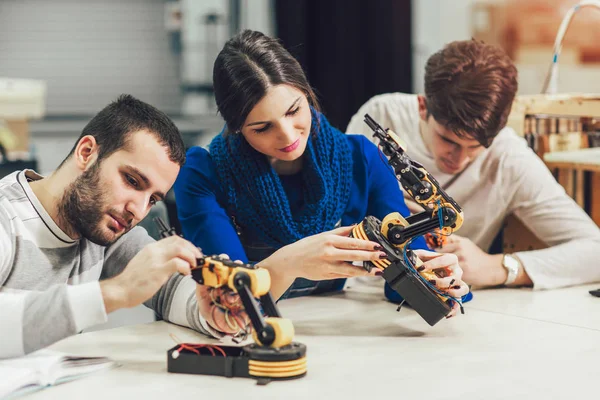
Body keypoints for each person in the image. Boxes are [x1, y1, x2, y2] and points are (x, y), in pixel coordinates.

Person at [173, 30, 469, 311]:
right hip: (246, 339)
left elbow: (401, 280)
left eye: (294, 111)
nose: (288, 136)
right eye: (263, 127)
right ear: (236, 127)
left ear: (306, 93)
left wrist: (438, 281)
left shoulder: (362, 159)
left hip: (336, 336)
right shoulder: (203, 173)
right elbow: (232, 299)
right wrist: (291, 261)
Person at [0, 95, 249, 359]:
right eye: (131, 180)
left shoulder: (101, 225)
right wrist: (116, 292)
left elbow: (167, 288)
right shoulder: (7, 218)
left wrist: (209, 311)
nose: (139, 211)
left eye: (152, 199)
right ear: (87, 153)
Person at [347, 39, 600, 290]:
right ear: (423, 107)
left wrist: (499, 268)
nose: (459, 160)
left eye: (476, 147)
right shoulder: (382, 118)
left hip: (446, 302)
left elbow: (594, 251)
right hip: (355, 292)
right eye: (448, 140)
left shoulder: (508, 158)